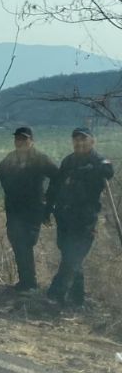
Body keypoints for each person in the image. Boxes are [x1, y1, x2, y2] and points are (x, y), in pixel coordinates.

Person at [45, 127, 114, 306]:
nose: (80, 143)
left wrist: (96, 169)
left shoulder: (98, 161)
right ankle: (77, 300)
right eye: (76, 139)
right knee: (69, 254)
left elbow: (108, 170)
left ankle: (55, 294)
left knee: (73, 256)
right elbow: (56, 186)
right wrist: (48, 208)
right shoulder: (68, 161)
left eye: (84, 139)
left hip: (85, 219)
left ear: (92, 141)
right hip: (64, 217)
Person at [0, 126, 59, 291]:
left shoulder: (40, 158)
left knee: (26, 242)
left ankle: (30, 282)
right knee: (17, 242)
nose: (20, 142)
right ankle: (25, 281)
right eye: (17, 139)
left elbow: (57, 176)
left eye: (24, 139)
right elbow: (1, 169)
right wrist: (10, 190)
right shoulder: (11, 158)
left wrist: (48, 199)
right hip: (14, 209)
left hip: (33, 209)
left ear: (31, 141)